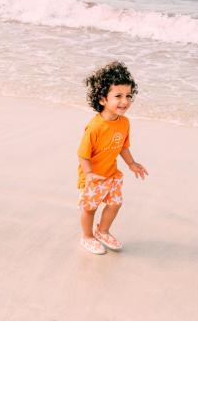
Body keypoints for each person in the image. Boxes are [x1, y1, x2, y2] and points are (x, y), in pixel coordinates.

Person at [77, 61, 148, 254]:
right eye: (118, 96)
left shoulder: (124, 122)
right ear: (102, 99)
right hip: (93, 177)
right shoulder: (95, 127)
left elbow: (123, 145)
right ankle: (87, 236)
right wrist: (89, 174)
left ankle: (102, 231)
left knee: (115, 203)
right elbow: (82, 154)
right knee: (89, 208)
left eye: (128, 96)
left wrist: (131, 163)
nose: (125, 101)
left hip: (111, 174)